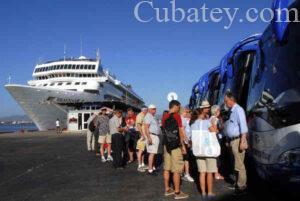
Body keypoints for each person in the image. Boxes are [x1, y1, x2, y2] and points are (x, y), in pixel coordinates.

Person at [190, 100, 218, 198]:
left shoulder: (193, 124)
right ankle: (209, 192)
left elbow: (191, 138)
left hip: (198, 151)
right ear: (203, 110)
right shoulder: (207, 123)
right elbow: (214, 132)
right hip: (208, 150)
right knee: (209, 172)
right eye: (207, 108)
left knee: (202, 172)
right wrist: (214, 123)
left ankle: (203, 193)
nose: (208, 109)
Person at [161, 100, 189, 200]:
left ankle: (167, 189)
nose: (179, 109)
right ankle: (177, 192)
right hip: (175, 146)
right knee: (177, 169)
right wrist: (183, 145)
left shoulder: (164, 117)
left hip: (166, 145)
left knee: (167, 168)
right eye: (178, 107)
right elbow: (181, 132)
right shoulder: (177, 116)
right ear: (175, 106)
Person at [224, 91, 248, 195]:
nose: (225, 103)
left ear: (231, 100)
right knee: (235, 164)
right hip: (233, 140)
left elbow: (243, 127)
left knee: (240, 165)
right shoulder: (232, 111)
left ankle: (241, 187)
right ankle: (237, 183)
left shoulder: (238, 110)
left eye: (226, 101)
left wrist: (242, 141)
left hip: (238, 140)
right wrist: (229, 140)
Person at [144, 104, 161, 175]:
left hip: (154, 136)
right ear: (150, 109)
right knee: (151, 153)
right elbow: (146, 128)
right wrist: (149, 138)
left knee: (153, 153)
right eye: (153, 109)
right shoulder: (148, 116)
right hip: (152, 136)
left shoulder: (152, 116)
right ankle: (150, 169)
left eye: (155, 109)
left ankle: (152, 167)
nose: (155, 110)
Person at [210, 105, 225, 180]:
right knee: (217, 156)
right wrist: (220, 130)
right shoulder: (215, 119)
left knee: (214, 156)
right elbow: (215, 130)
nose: (220, 112)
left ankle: (215, 172)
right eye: (219, 110)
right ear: (216, 111)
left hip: (212, 139)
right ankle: (216, 174)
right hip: (216, 139)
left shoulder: (210, 118)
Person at [180, 107, 194, 183]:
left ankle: (183, 173)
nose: (188, 113)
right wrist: (184, 143)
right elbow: (182, 132)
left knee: (185, 159)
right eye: (187, 111)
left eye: (189, 111)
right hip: (184, 142)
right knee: (186, 159)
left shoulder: (184, 119)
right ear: (183, 112)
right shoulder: (183, 119)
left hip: (185, 142)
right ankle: (186, 174)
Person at [136, 107, 148, 172]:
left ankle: (142, 164)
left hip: (144, 135)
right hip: (141, 135)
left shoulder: (144, 115)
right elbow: (138, 125)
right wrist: (142, 135)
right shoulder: (140, 115)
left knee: (143, 150)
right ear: (144, 110)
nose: (147, 111)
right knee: (140, 150)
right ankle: (139, 166)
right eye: (147, 110)